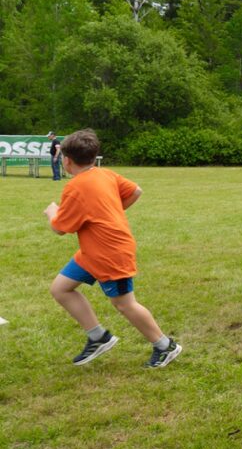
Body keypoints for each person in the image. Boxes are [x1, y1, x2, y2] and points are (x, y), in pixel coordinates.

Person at [44, 129, 181, 368]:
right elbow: (135, 191)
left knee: (124, 304)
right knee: (61, 288)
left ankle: (165, 346)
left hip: (110, 253)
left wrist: (51, 212)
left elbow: (59, 228)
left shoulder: (75, 187)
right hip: (90, 253)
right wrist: (108, 212)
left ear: (67, 160)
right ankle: (98, 337)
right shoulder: (105, 174)